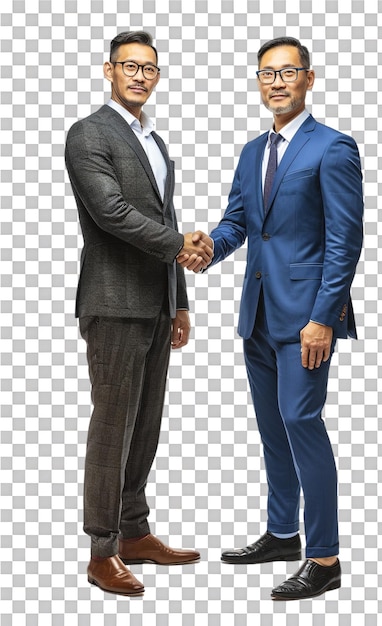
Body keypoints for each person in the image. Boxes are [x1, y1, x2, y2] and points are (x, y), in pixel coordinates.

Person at [178, 36, 363, 600]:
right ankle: (283, 532)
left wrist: (323, 316)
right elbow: (240, 221)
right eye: (266, 74)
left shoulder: (333, 148)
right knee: (272, 429)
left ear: (309, 79)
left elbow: (344, 240)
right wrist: (210, 247)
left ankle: (325, 557)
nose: (276, 82)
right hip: (256, 314)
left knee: (301, 421)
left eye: (287, 72)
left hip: (306, 318)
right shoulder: (252, 151)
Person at [65, 30, 213, 596]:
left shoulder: (154, 140)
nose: (139, 75)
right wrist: (180, 244)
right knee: (112, 425)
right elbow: (110, 212)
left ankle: (134, 531)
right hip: (112, 302)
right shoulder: (88, 134)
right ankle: (102, 550)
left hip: (155, 304)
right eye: (129, 65)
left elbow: (164, 215)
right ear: (108, 70)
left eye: (149, 67)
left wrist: (179, 300)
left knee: (146, 423)